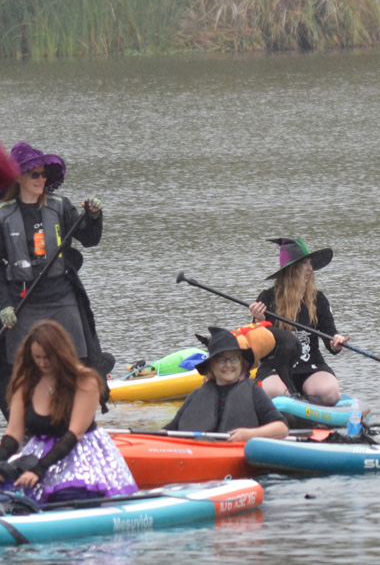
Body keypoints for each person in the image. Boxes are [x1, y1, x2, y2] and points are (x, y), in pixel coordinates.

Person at [0, 141, 111, 418]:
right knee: (21, 368)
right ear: (19, 178)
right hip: (23, 302)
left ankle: (77, 420)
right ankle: (27, 424)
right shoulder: (3, 215)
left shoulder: (61, 207)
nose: (41, 180)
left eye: (44, 174)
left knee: (77, 361)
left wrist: (94, 217)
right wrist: (4, 305)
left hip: (62, 297)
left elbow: (90, 239)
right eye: (34, 175)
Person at [0, 320, 136, 505]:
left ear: (61, 354)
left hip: (78, 453)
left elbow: (74, 434)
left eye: (48, 357)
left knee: (68, 495)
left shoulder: (85, 380)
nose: (42, 363)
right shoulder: (24, 383)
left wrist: (39, 470)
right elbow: (14, 434)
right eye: (37, 357)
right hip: (38, 453)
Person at [249, 237, 347, 406]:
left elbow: (330, 337)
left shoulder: (318, 299)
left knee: (330, 393)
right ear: (291, 269)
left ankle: (307, 400)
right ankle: (289, 400)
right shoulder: (267, 298)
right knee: (277, 394)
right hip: (275, 366)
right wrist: (259, 321)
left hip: (310, 364)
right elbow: (257, 347)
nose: (310, 269)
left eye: (310, 263)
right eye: (304, 264)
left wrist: (336, 342)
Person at [165, 327, 289, 442]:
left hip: (239, 450)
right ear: (211, 365)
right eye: (221, 360)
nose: (228, 365)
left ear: (241, 363)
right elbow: (170, 429)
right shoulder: (196, 395)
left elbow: (282, 428)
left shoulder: (253, 392)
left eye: (234, 359)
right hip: (199, 450)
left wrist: (251, 434)